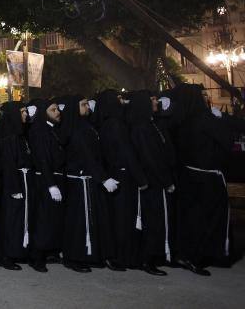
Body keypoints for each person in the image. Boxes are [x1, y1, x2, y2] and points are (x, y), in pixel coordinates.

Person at [173, 83, 234, 275]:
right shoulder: (205, 119)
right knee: (207, 219)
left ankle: (189, 254)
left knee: (192, 219)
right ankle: (201, 255)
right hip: (207, 178)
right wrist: (221, 120)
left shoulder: (180, 120)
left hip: (189, 175)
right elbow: (226, 141)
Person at [60, 96, 120, 272]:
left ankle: (90, 254)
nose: (87, 107)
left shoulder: (86, 126)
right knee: (78, 221)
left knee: (92, 219)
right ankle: (73, 257)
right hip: (79, 182)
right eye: (83, 105)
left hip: (88, 179)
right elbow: (86, 156)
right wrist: (103, 178)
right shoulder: (77, 129)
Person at [95, 89, 148, 270]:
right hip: (123, 176)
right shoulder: (116, 125)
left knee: (120, 218)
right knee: (123, 219)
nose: (122, 102)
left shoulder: (108, 123)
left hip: (115, 174)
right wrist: (141, 178)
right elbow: (126, 152)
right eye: (118, 99)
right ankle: (123, 256)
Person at [127, 90, 175, 275]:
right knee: (151, 221)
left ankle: (155, 255)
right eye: (152, 100)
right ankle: (147, 259)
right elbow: (149, 157)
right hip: (151, 182)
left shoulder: (150, 124)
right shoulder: (141, 127)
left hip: (156, 180)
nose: (156, 102)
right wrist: (166, 180)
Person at [0, 102, 35, 271]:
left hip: (23, 180)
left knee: (20, 219)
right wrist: (14, 188)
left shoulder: (19, 135)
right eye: (22, 112)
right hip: (14, 184)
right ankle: (6, 255)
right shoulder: (8, 138)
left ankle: (19, 251)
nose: (26, 114)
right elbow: (8, 164)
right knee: (11, 220)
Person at [28, 99, 66, 272]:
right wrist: (51, 184)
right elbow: (42, 159)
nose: (57, 112)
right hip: (45, 181)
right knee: (42, 219)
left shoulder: (52, 130)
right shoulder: (39, 131)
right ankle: (37, 257)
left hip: (53, 179)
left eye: (57, 109)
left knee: (51, 219)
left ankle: (47, 251)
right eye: (53, 109)